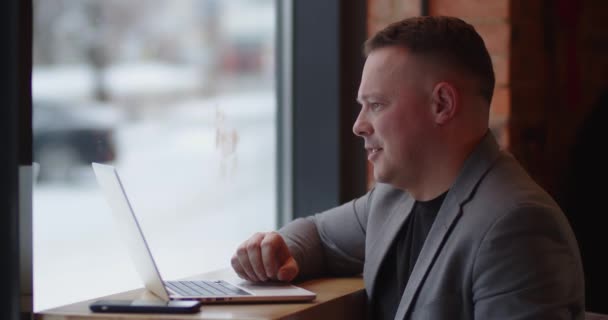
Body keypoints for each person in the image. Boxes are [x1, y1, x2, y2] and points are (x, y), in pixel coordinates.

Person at [231, 16, 585, 319]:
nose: (358, 125)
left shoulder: (517, 227)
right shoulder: (392, 198)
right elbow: (318, 235)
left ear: (442, 104)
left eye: (376, 104)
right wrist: (275, 252)